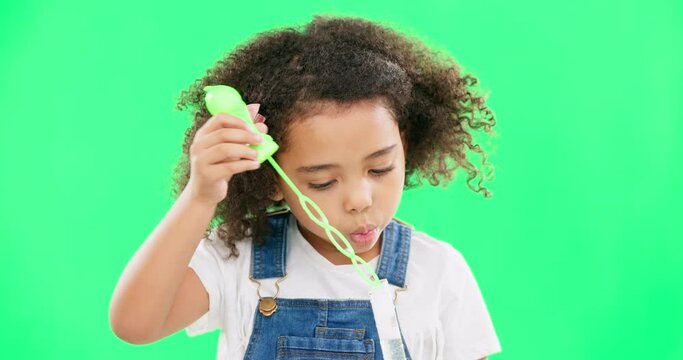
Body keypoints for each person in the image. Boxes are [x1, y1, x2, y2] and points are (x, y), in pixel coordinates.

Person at [109, 15, 501, 360]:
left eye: (380, 168)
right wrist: (201, 196)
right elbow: (135, 324)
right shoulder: (238, 264)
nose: (360, 200)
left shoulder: (438, 272)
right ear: (272, 178)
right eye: (323, 181)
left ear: (406, 147)